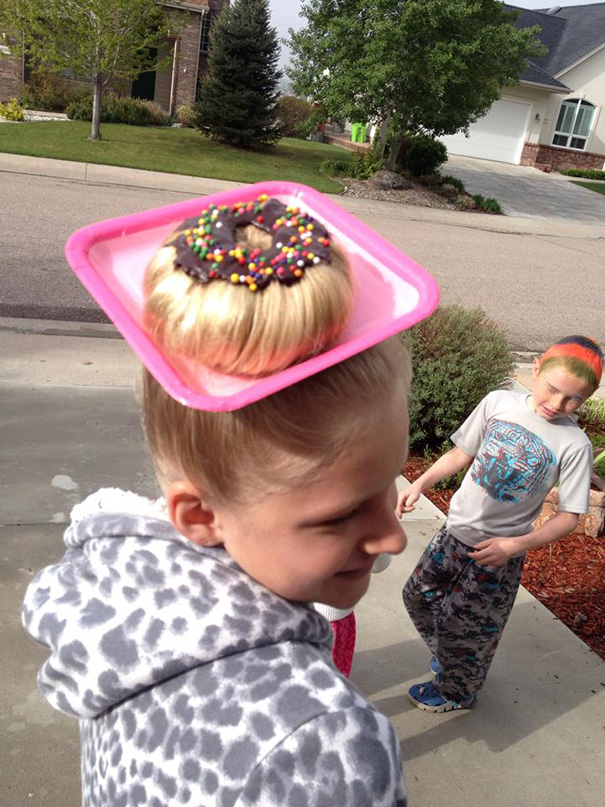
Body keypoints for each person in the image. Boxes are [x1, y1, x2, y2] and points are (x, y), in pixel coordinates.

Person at [23, 196, 412, 806]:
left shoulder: (115, 606)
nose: (394, 538)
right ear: (202, 516)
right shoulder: (320, 744)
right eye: (340, 515)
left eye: (389, 483)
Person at [397, 335, 603, 714]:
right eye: (553, 389)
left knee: (468, 627)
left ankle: (457, 692)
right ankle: (455, 661)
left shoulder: (574, 445)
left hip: (497, 553)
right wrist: (420, 482)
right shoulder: (499, 403)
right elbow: (462, 453)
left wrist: (514, 546)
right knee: (417, 596)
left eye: (573, 399)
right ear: (537, 366)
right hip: (453, 534)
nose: (557, 404)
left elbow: (569, 518)